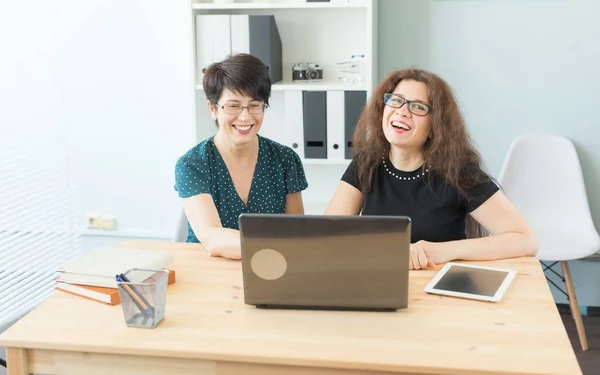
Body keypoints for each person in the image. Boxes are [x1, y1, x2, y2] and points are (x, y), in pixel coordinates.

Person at [325, 68, 537, 270]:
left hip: (440, 290)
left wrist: (440, 251)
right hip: (378, 280)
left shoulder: (459, 171)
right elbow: (326, 235)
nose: (402, 112)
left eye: (417, 107)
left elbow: (526, 240)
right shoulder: (366, 162)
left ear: (435, 128)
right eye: (396, 101)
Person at [174, 53, 308, 260]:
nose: (245, 117)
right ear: (213, 108)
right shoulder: (192, 164)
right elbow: (213, 238)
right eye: (233, 106)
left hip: (270, 267)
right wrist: (278, 246)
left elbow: (297, 232)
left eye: (255, 105)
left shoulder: (285, 159)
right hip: (207, 273)